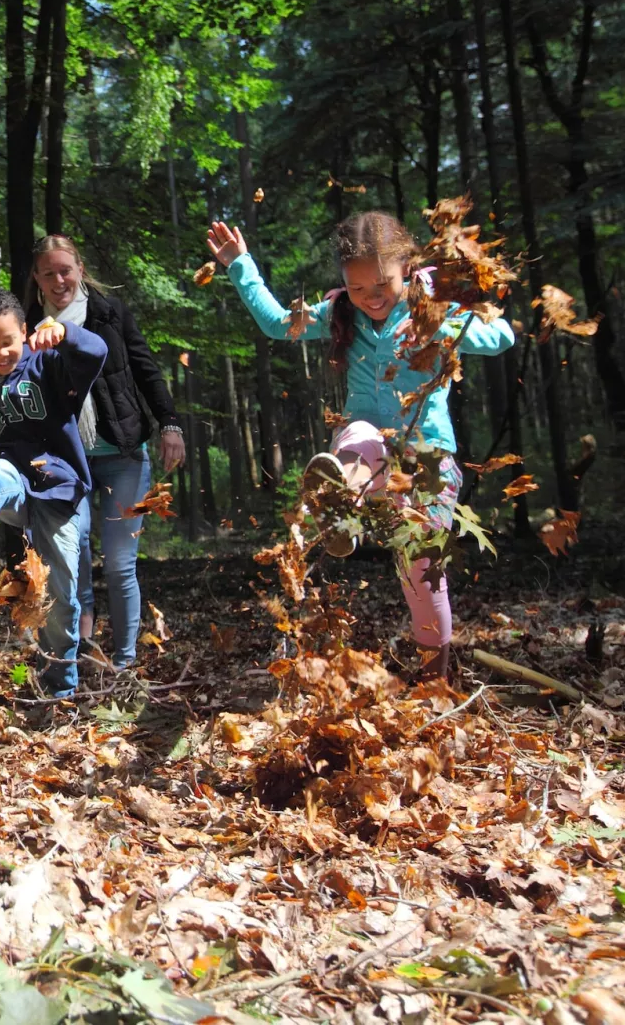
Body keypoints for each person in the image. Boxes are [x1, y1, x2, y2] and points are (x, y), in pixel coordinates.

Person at [206, 212, 516, 680]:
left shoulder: (432, 305)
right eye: (357, 288)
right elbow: (276, 324)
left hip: (428, 459)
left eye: (382, 285)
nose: (371, 297)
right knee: (359, 438)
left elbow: (502, 337)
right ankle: (339, 501)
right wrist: (239, 263)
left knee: (423, 577)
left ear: (407, 269)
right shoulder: (340, 313)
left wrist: (440, 329)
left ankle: (436, 682)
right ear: (344, 285)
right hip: (367, 448)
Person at [26, 235, 185, 669]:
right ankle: (80, 653)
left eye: (66, 270)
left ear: (79, 267)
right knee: (71, 558)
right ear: (36, 278)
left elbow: (145, 368)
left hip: (123, 451)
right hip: (64, 462)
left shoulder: (108, 313)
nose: (59, 280)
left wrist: (169, 423)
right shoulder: (27, 326)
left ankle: (125, 661)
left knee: (118, 564)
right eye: (48, 272)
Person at [0, 287, 108, 698]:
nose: (0, 353)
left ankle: (59, 688)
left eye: (8, 342)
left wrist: (64, 333)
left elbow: (96, 353)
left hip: (58, 490)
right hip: (14, 484)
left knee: (62, 594)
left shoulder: (49, 364)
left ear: (24, 330)